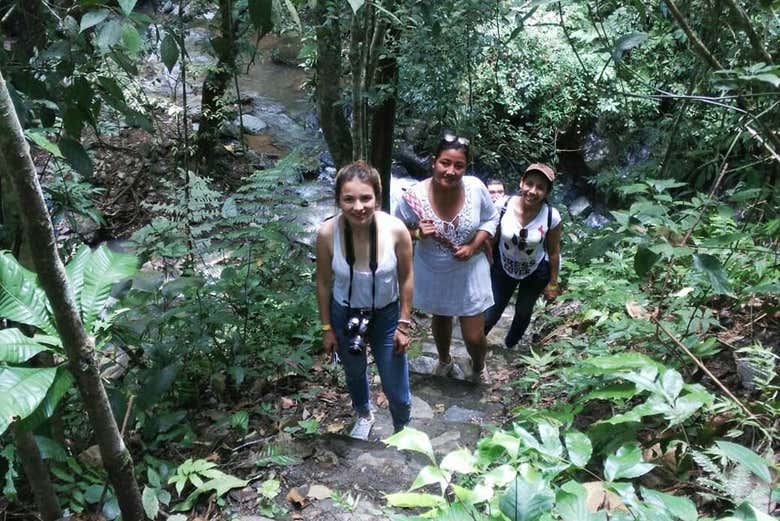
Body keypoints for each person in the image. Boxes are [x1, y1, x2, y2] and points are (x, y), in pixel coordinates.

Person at [315, 161, 414, 440]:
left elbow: (407, 276)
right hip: (345, 313)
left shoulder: (396, 230)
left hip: (386, 315)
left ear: (377, 199)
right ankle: (363, 414)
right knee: (354, 371)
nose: (358, 207)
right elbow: (323, 282)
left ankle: (402, 428)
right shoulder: (327, 234)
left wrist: (404, 323)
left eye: (365, 198)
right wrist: (326, 328)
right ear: (338, 200)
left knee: (395, 384)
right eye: (349, 199)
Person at [395, 132, 499, 384]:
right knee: (441, 318)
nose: (451, 171)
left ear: (466, 167)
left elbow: (491, 218)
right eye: (445, 163)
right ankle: (444, 360)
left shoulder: (476, 189)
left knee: (474, 335)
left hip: (470, 269)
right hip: (433, 268)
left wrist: (473, 245)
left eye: (458, 165)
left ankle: (478, 366)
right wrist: (417, 233)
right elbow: (395, 229)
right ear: (434, 162)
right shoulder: (414, 197)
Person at [484, 163, 562, 349]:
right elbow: (491, 239)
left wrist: (553, 283)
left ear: (547, 192)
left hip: (535, 271)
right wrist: (483, 265)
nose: (533, 191)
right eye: (529, 184)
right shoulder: (502, 206)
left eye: (540, 187)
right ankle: (476, 348)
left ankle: (509, 346)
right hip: (502, 265)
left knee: (523, 312)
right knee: (490, 313)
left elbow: (554, 252)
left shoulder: (551, 216)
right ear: (521, 183)